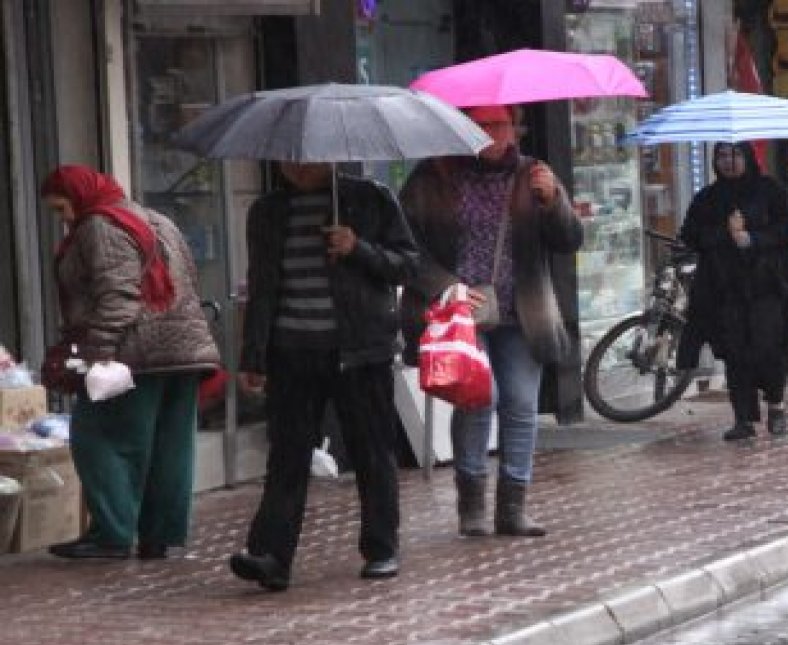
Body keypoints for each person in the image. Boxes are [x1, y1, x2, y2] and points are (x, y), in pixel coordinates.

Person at [229, 163, 418, 591]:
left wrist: (358, 248)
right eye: (287, 158)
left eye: (306, 158)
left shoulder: (370, 199)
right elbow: (261, 286)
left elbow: (407, 265)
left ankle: (382, 547)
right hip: (292, 351)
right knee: (287, 456)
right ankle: (271, 554)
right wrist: (254, 356)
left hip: (359, 350)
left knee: (372, 451)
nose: (296, 167)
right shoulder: (267, 211)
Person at [399, 104, 582, 538]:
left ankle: (513, 506)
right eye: (478, 124)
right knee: (481, 396)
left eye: (497, 124)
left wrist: (553, 201)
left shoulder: (534, 173)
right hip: (459, 313)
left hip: (523, 312)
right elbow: (404, 244)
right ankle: (472, 505)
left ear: (513, 128)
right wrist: (447, 285)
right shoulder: (433, 176)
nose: (488, 133)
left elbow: (569, 240)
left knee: (520, 403)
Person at [39, 165, 220, 560]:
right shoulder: (156, 219)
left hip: (136, 356)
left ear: (80, 194)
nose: (65, 218)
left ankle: (112, 532)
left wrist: (96, 353)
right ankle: (161, 533)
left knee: (97, 437)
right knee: (170, 447)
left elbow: (119, 297)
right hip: (183, 353)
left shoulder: (99, 227)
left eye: (62, 207)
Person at [675, 141, 788, 441]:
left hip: (764, 286)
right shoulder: (708, 197)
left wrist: (753, 238)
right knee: (735, 354)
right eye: (721, 156)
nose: (728, 162)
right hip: (724, 289)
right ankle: (742, 417)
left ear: (747, 157)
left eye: (734, 155)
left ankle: (776, 404)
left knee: (767, 349)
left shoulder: (769, 189)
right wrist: (725, 234)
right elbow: (691, 234)